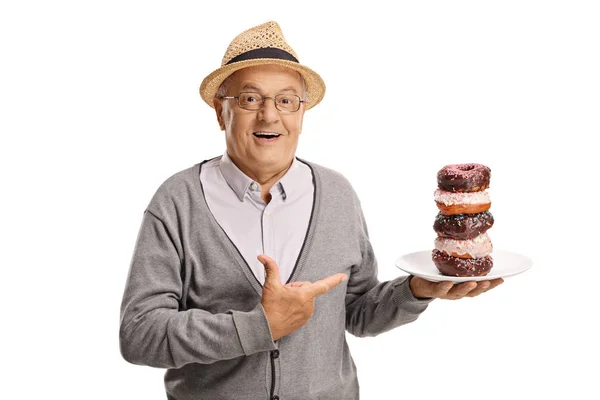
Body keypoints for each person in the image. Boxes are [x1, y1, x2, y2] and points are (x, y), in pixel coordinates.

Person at [119, 21, 504, 400]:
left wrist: (416, 290)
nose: (270, 116)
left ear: (301, 114)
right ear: (221, 112)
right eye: (250, 99)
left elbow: (356, 313)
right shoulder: (177, 200)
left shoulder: (337, 194)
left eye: (286, 101)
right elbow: (139, 335)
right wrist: (259, 326)